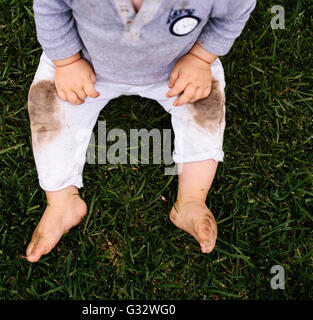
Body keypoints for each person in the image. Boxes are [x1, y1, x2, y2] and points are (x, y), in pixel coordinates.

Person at [26, 0, 256, 262]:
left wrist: (201, 57)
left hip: (178, 68)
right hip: (85, 64)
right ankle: (61, 200)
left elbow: (234, 13)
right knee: (49, 104)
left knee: (204, 108)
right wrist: (66, 62)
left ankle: (192, 199)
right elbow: (49, 7)